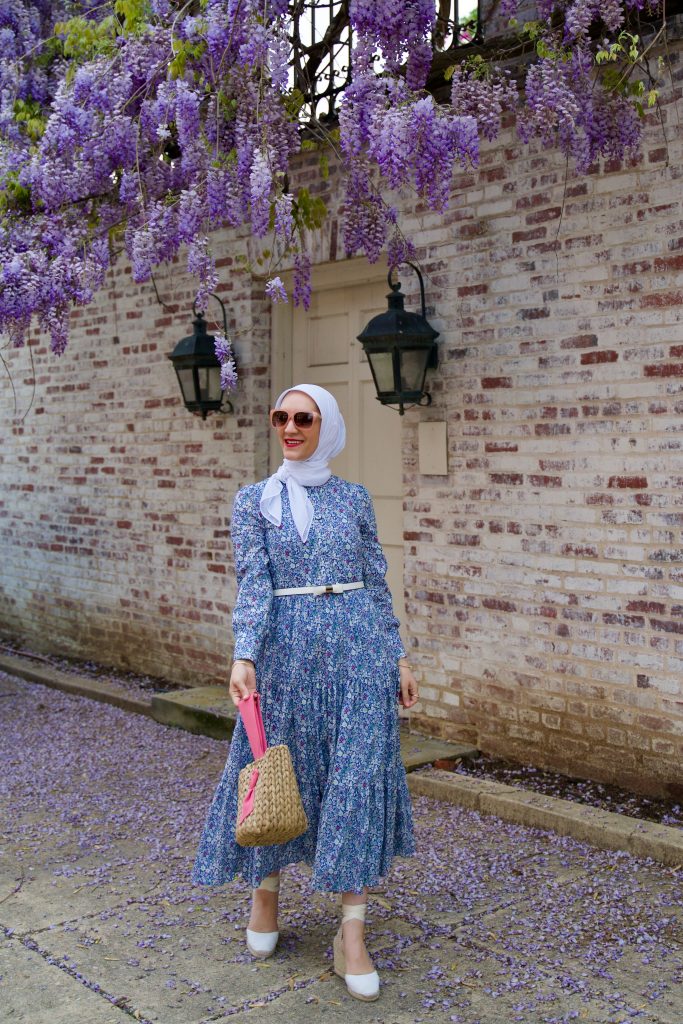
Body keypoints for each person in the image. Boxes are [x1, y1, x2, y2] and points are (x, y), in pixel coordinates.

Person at [191, 383, 419, 1002]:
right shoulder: (253, 501)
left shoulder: (354, 499)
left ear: (327, 426)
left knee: (353, 782)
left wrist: (396, 653)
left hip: (358, 656)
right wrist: (244, 654)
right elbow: (254, 584)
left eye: (304, 418)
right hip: (287, 657)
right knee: (275, 773)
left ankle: (352, 934)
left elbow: (376, 579)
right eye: (281, 417)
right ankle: (265, 893)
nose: (290, 428)